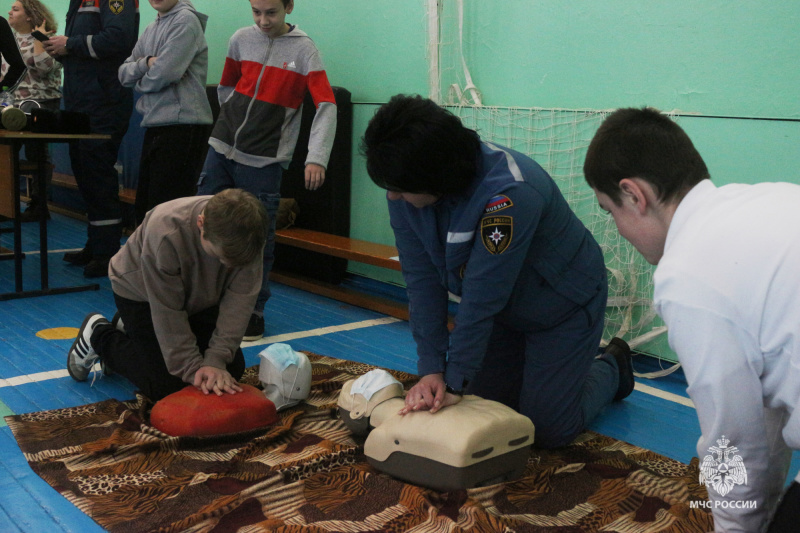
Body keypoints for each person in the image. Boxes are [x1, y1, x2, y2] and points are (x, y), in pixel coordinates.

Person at [361, 94, 634, 449]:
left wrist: (455, 380)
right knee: (488, 411)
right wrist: (431, 368)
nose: (393, 198)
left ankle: (613, 366)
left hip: (563, 306)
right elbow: (421, 281)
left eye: (400, 189)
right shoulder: (405, 191)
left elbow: (481, 295)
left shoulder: (510, 194)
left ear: (433, 177)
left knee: (547, 430)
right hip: (506, 313)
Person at [583, 107, 800, 532]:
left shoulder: (688, 276)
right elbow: (764, 406)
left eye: (611, 211)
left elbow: (731, 445)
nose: (620, 231)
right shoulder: (763, 200)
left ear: (634, 195)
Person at [196, 0, 337, 341]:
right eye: (256, 12)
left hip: (264, 162)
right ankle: (202, 303)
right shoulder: (241, 39)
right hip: (221, 150)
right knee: (201, 220)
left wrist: (315, 156)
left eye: (271, 12)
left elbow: (326, 104)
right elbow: (226, 86)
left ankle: (253, 311)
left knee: (258, 238)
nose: (262, 20)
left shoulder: (304, 51)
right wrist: (232, 121)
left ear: (288, 7)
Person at [66, 188, 268, 401]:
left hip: (201, 297)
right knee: (166, 385)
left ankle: (129, 328)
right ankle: (99, 335)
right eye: (221, 258)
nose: (228, 267)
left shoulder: (249, 235)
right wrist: (192, 370)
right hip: (140, 293)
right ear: (201, 224)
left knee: (232, 370)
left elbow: (239, 303)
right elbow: (168, 311)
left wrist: (215, 361)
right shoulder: (165, 231)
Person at [43, 0, 138, 278]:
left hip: (103, 101)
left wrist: (70, 44)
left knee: (97, 175)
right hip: (78, 101)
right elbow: (83, 49)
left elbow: (118, 39)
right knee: (84, 173)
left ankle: (106, 252)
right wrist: (60, 49)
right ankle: (95, 244)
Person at [118, 0, 213, 227]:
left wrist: (140, 80)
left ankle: (171, 264)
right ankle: (151, 262)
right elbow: (123, 74)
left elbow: (163, 75)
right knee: (146, 211)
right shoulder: (152, 27)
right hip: (156, 124)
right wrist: (146, 63)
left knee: (168, 214)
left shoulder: (186, 21)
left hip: (184, 127)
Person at [3, 0, 61, 222]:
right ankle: (6, 204)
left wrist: (38, 38)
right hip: (11, 105)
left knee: (36, 154)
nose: (9, 11)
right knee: (6, 152)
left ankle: (39, 205)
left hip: (41, 104)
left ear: (30, 15)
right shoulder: (10, 39)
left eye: (15, 9)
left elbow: (44, 66)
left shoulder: (50, 37)